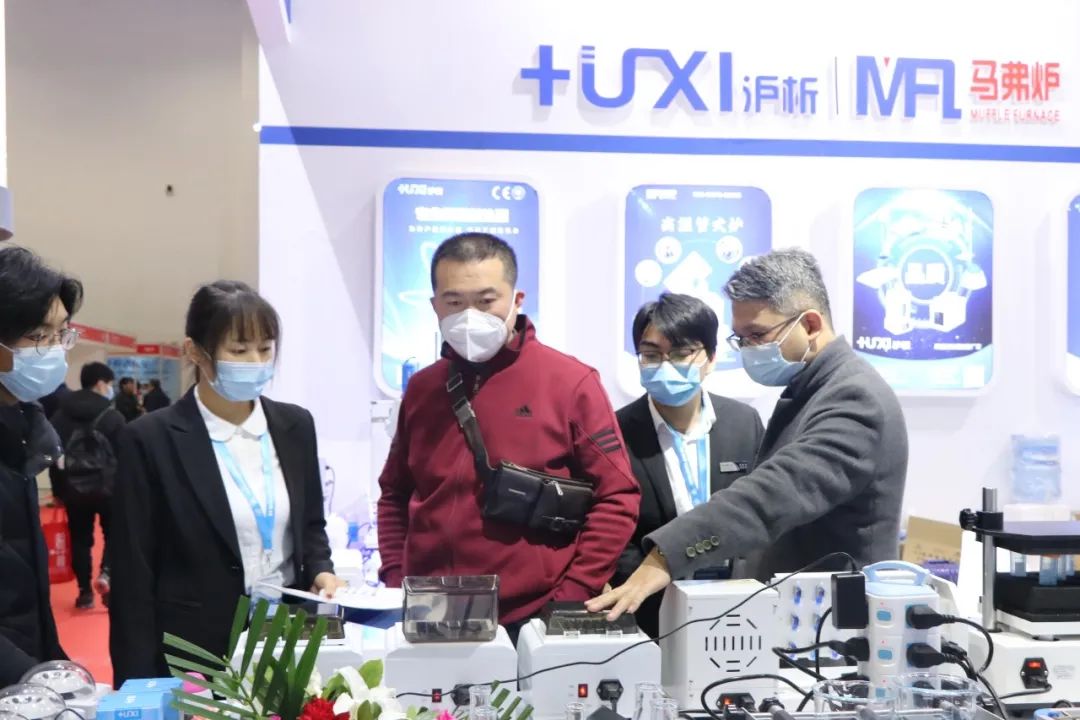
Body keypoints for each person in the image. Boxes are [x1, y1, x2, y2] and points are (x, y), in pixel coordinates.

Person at [588, 248, 908, 620]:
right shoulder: (811, 390)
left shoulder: (855, 397)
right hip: (791, 614)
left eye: (757, 335)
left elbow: (773, 493)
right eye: (741, 339)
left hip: (836, 623)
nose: (748, 350)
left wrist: (665, 555)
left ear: (810, 325)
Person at [378, 232, 639, 635]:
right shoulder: (422, 388)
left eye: (486, 301)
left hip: (532, 615)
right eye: (454, 302)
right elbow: (394, 494)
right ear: (434, 305)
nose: (470, 316)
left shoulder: (570, 382)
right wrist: (396, 576)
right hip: (430, 612)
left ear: (517, 299)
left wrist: (571, 594)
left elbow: (617, 497)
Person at [109, 280, 345, 685]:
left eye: (265, 349)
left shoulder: (295, 426)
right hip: (194, 650)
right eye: (239, 350)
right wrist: (138, 682)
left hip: (288, 638)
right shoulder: (150, 440)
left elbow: (310, 525)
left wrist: (322, 569)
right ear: (195, 351)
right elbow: (134, 572)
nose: (256, 361)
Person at [614, 293, 763, 638]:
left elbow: (761, 512)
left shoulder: (745, 422)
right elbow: (613, 531)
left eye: (682, 353)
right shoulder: (616, 433)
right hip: (650, 614)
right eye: (652, 355)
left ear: (710, 358)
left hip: (739, 608)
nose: (666, 366)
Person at [0, 245, 80, 685]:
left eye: (60, 333)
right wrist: (30, 678)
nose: (53, 349)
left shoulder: (22, 430)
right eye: (37, 335)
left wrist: (51, 666)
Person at [49, 361, 125, 609]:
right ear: (101, 383)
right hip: (109, 488)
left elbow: (54, 456)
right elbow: (125, 454)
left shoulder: (60, 416)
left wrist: (58, 490)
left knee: (80, 538)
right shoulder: (112, 416)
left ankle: (84, 592)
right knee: (114, 534)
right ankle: (108, 575)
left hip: (73, 489)